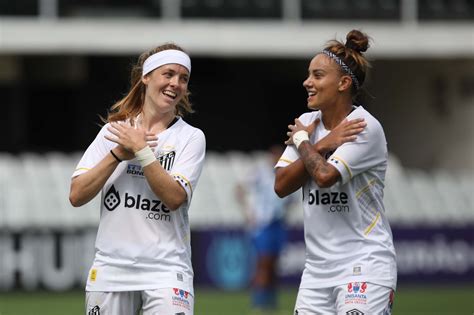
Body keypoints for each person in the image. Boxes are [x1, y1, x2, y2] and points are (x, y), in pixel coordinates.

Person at [69, 43, 206, 315]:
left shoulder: (190, 137)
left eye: (183, 78)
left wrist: (142, 151)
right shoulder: (113, 132)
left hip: (166, 271)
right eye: (168, 74)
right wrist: (119, 153)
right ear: (146, 76)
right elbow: (77, 194)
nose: (175, 83)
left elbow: (175, 198)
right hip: (111, 269)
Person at [274, 30, 397, 315]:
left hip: (364, 264)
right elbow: (280, 185)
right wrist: (324, 142)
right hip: (316, 271)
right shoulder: (307, 122)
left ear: (343, 83)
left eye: (317, 76)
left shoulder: (363, 126)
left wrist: (304, 142)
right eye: (308, 75)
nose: (307, 82)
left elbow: (325, 176)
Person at [235, 144, 295, 314]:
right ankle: (259, 302)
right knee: (263, 262)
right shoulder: (260, 172)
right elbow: (239, 188)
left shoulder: (285, 174)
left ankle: (271, 302)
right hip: (263, 224)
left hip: (278, 223)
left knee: (274, 264)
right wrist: (248, 212)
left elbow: (292, 199)